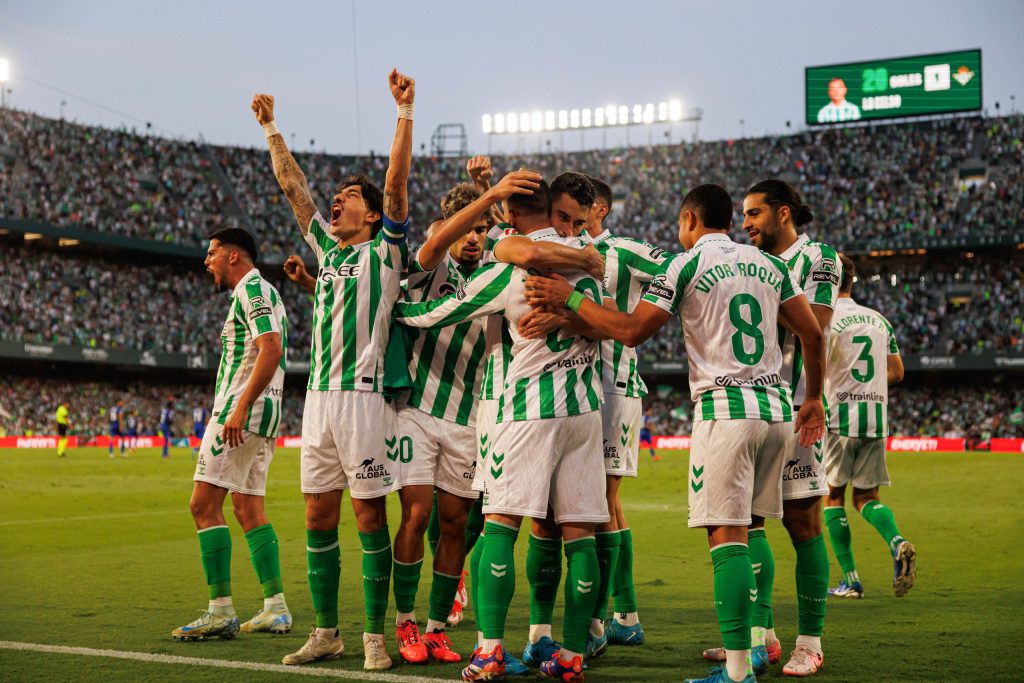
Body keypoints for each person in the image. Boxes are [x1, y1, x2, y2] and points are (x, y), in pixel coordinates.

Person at [523, 183, 827, 683]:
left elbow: (629, 331)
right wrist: (811, 397)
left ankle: (735, 671)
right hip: (775, 412)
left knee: (725, 537)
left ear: (689, 219)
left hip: (725, 411)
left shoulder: (684, 265)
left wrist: (570, 296)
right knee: (753, 530)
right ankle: (756, 645)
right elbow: (813, 334)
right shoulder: (771, 266)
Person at [393, 173, 607, 682]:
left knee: (499, 529)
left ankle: (488, 651)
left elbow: (435, 313)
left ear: (509, 213)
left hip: (527, 412)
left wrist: (391, 306)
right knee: (578, 536)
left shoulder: (510, 266)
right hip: (585, 410)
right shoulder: (588, 261)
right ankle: (572, 656)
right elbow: (608, 323)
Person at [254, 69, 414, 671]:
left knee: (369, 514)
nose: (338, 199)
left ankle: (375, 636)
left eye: (351, 196)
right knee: (318, 514)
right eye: (338, 195)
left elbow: (396, 184)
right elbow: (294, 189)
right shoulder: (331, 251)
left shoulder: (386, 251)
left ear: (373, 216)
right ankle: (327, 632)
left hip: (364, 399)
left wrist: (404, 112)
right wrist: (271, 128)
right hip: (317, 401)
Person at [388, 171, 543, 666]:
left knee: (456, 524)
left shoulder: (498, 274)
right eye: (468, 228)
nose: (474, 239)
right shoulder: (432, 270)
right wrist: (488, 195)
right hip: (416, 410)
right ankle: (405, 622)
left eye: (482, 229)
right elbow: (435, 244)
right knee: (415, 514)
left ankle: (436, 627)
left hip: (468, 416)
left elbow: (524, 244)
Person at [716, 179, 841, 677]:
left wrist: (756, 296)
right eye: (743, 215)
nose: (744, 224)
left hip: (797, 408)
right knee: (749, 523)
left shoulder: (820, 259)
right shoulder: (757, 263)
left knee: (804, 522)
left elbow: (818, 321)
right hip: (752, 406)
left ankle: (809, 642)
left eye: (753, 214)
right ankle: (759, 636)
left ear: (783, 213)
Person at [171, 227, 291, 643]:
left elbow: (270, 347)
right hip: (266, 416)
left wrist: (238, 407)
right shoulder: (268, 292)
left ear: (233, 256)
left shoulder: (250, 291)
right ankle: (275, 607)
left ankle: (219, 610)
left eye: (212, 253)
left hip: (240, 415)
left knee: (203, 505)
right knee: (248, 508)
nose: (207, 261)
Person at [577, 175, 670, 655]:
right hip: (577, 388)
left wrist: (637, 322)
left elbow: (677, 271)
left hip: (614, 387)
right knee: (600, 504)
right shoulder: (564, 250)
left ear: (602, 210)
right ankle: (625, 613)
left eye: (583, 206)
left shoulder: (625, 251)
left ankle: (599, 624)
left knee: (600, 502)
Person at [823, 254, 916, 599]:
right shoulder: (879, 320)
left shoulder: (826, 318)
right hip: (876, 416)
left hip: (838, 417)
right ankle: (897, 541)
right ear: (852, 281)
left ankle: (851, 580)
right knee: (866, 497)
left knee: (833, 497)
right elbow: (897, 372)